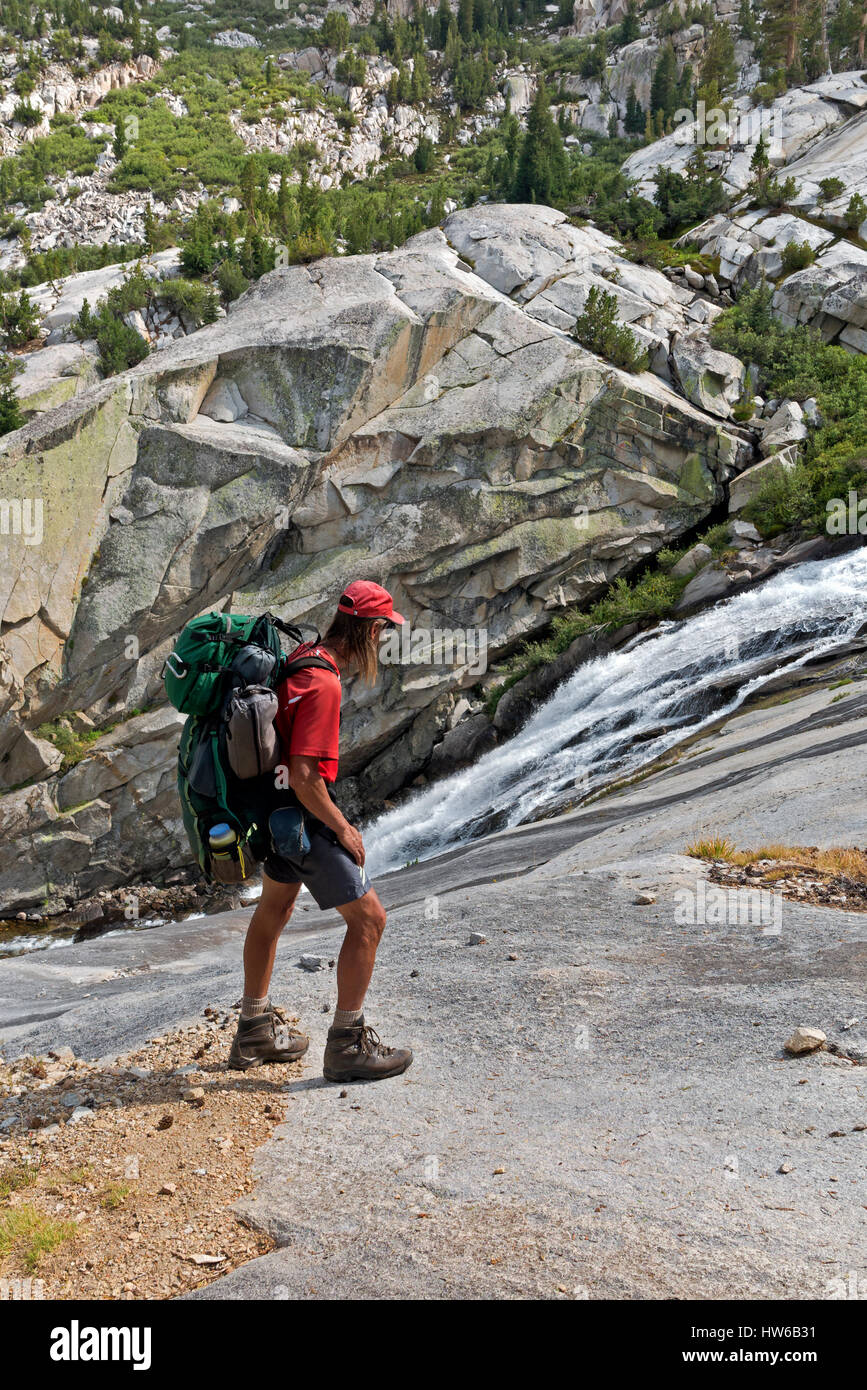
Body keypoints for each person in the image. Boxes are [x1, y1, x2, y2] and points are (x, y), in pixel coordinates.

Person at [227, 581, 413, 1083]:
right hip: (304, 819)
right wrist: (345, 828)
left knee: (274, 910)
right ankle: (347, 1046)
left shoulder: (303, 656)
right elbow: (307, 776)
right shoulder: (324, 683)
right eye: (382, 631)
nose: (382, 641)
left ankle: (254, 1029)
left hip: (273, 814)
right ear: (370, 629)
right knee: (370, 921)